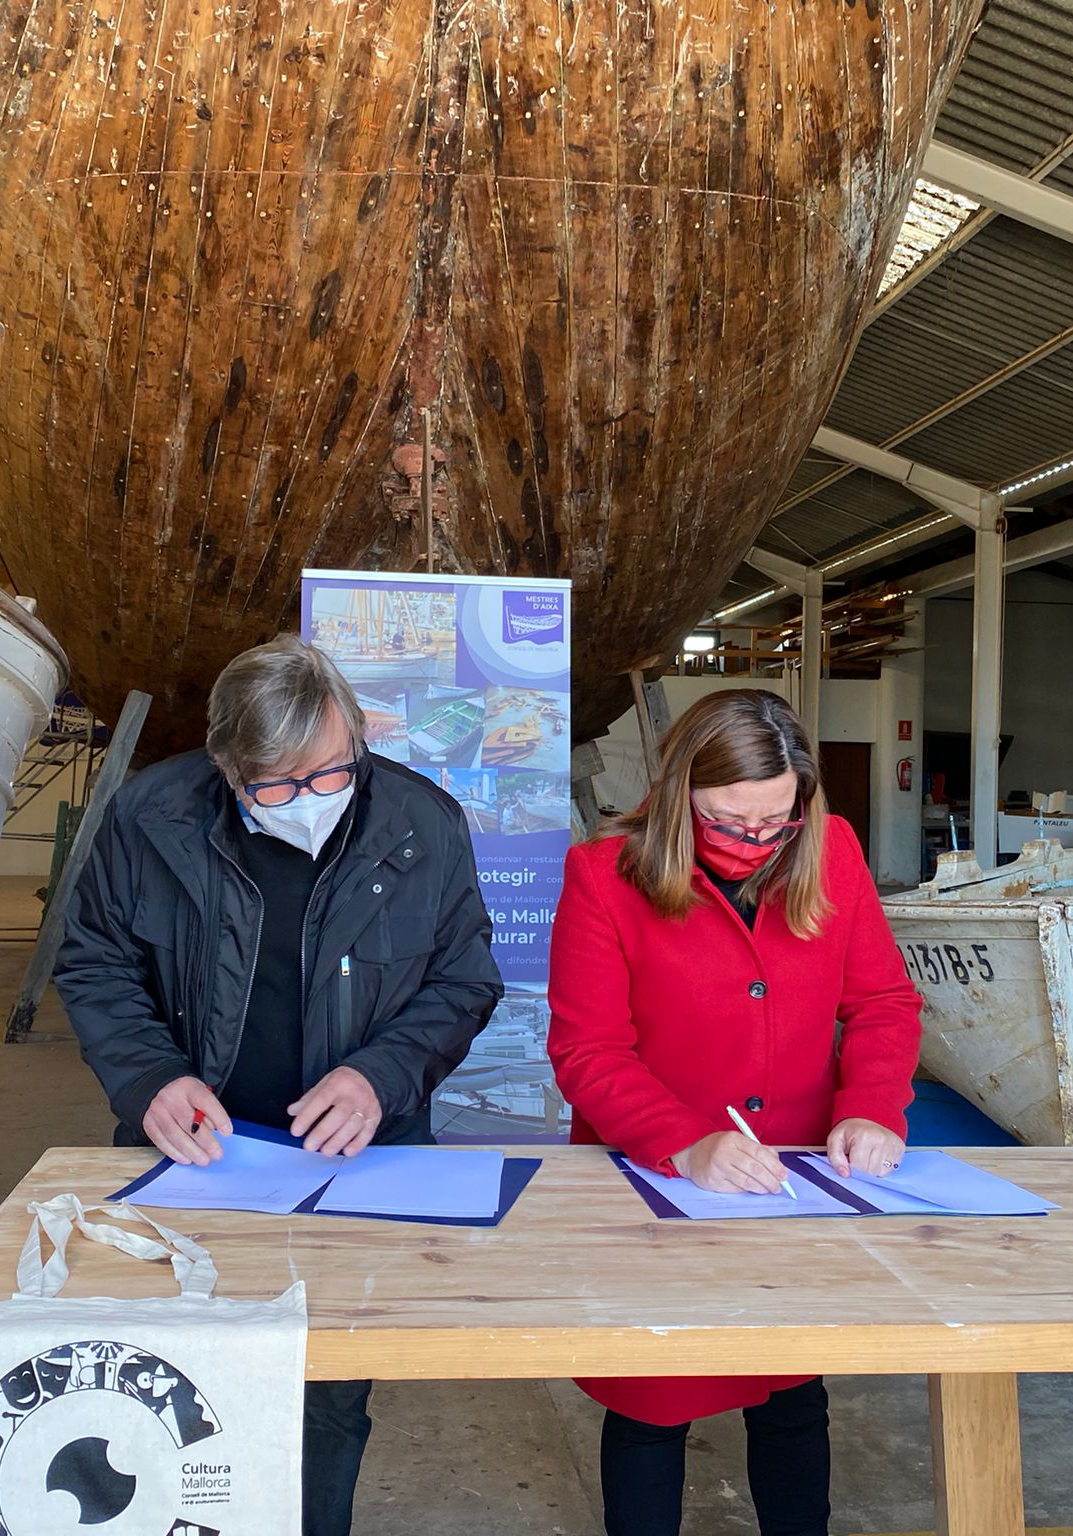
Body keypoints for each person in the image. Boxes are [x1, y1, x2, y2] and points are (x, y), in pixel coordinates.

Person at [55, 635, 504, 1536]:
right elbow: (95, 961)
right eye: (275, 785)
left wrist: (381, 1076)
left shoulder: (424, 824)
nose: (307, 803)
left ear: (356, 742)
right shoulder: (151, 816)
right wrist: (150, 1076)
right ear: (226, 765)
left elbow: (466, 980)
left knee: (328, 1398)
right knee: (171, 1381)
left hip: (359, 1161)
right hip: (196, 1154)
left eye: (331, 774)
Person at [546, 688, 922, 1536]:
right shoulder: (604, 874)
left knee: (791, 1389)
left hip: (793, 1175)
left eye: (775, 823)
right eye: (728, 823)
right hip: (658, 1178)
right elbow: (587, 1052)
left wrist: (871, 1109)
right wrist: (684, 1145)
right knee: (654, 1399)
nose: (755, 845)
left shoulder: (829, 849)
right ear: (681, 794)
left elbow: (884, 1003)